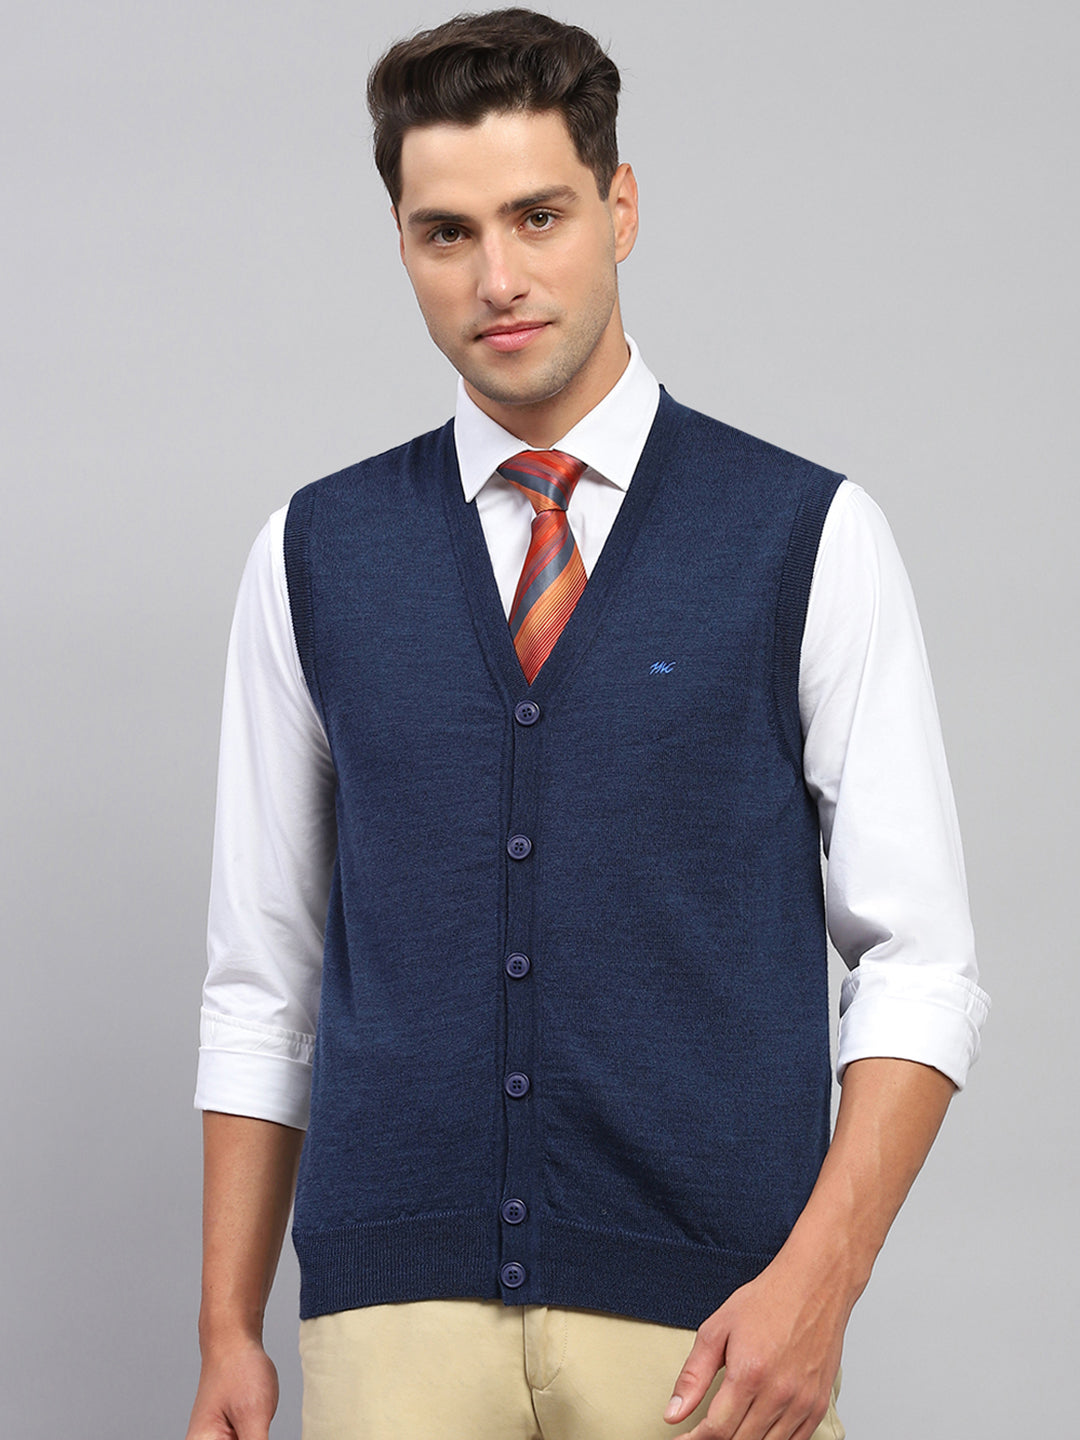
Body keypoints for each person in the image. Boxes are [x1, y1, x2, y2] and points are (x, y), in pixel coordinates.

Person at [185, 10, 990, 1440]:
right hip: (390, 1323)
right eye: (445, 233)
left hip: (717, 1324)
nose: (497, 278)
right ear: (401, 245)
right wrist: (226, 1329)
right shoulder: (314, 552)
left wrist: (823, 1284)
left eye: (539, 216)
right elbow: (263, 978)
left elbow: (919, 962)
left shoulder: (804, 535)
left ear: (620, 208)